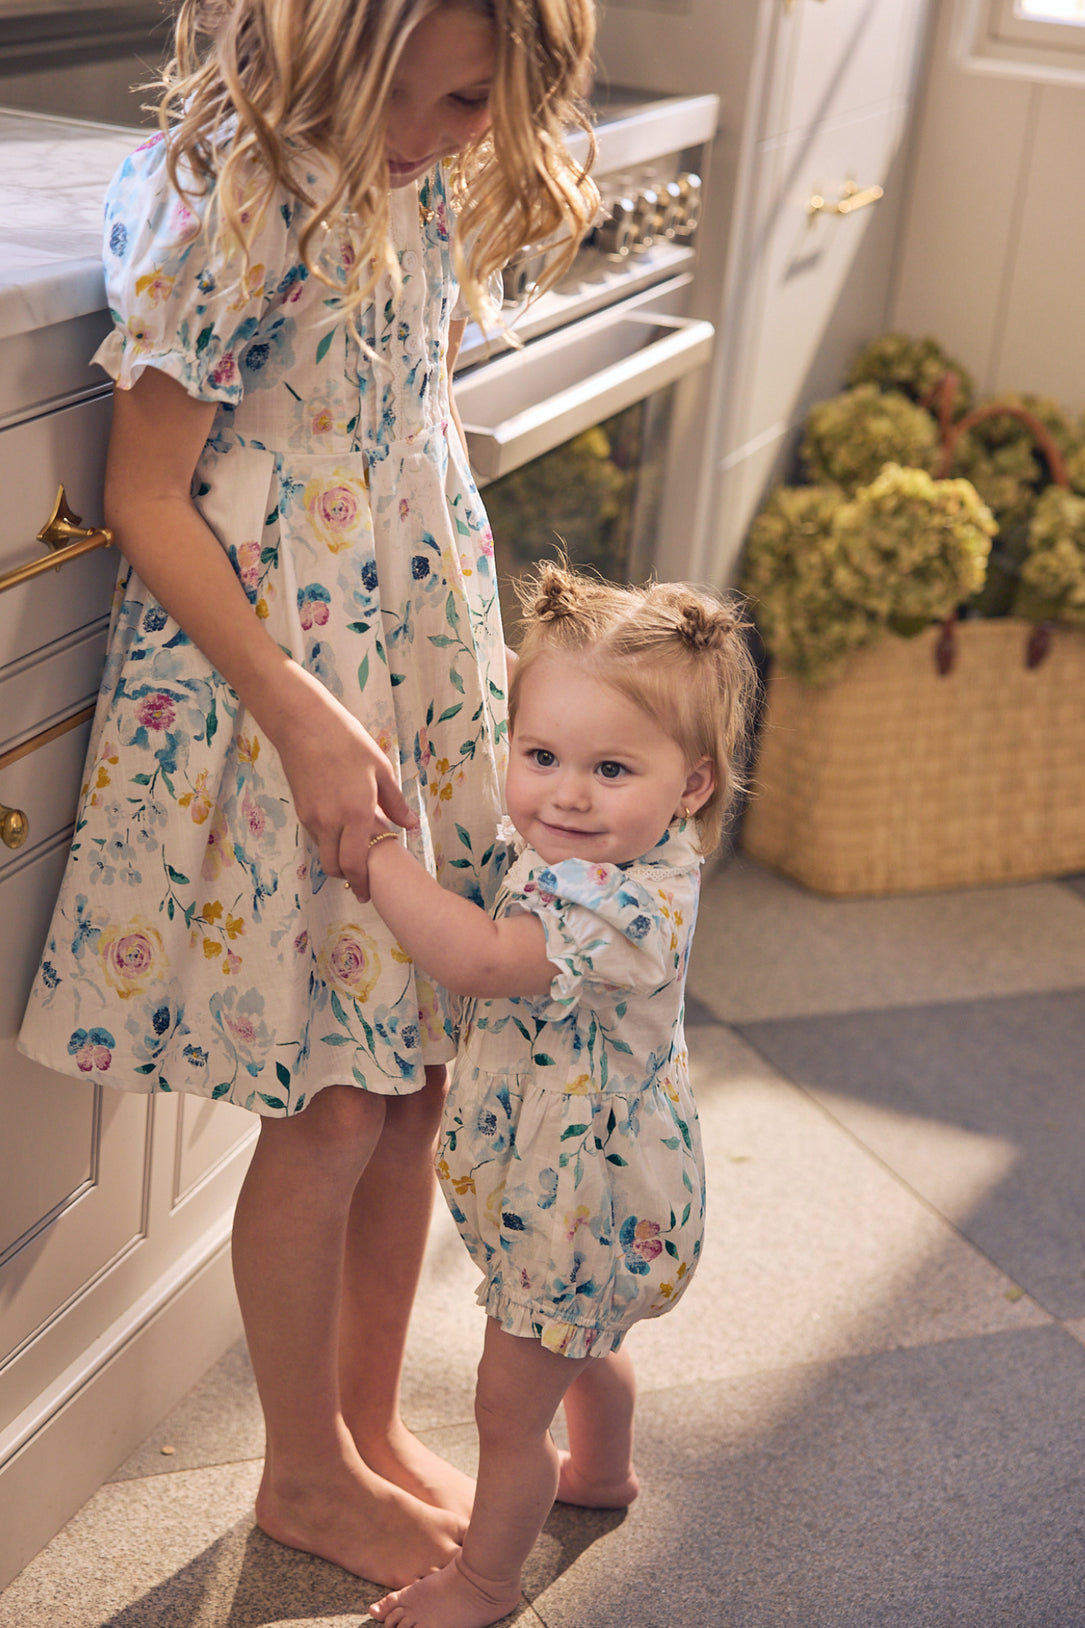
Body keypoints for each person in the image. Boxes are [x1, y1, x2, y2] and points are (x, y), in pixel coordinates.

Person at [18, 0, 598, 1590]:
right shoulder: (237, 193)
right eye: (389, 98)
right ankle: (301, 1475)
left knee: (411, 1073)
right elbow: (147, 498)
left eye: (465, 101)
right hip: (284, 689)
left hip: (410, 653)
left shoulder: (417, 187)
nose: (418, 135)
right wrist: (308, 722)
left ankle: (358, 1419)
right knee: (336, 1095)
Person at [362, 559, 757, 1628]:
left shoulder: (622, 904)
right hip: (587, 1177)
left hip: (578, 1193)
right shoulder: (610, 850)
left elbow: (484, 958)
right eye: (539, 756)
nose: (565, 791)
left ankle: (487, 1580)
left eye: (610, 768)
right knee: (584, 1344)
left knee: (505, 1405)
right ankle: (603, 1471)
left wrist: (375, 861)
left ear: (691, 785)